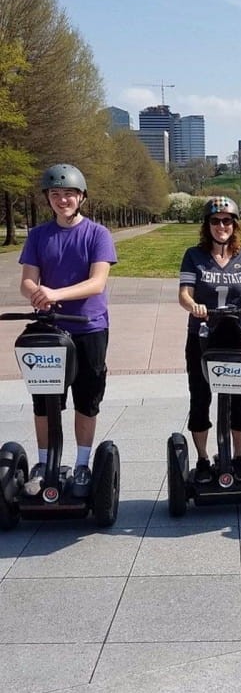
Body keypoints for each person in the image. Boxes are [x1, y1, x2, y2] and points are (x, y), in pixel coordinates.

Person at [19, 163, 117, 496]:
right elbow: (28, 279)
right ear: (48, 198)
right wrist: (36, 291)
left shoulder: (97, 234)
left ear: (81, 197)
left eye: (69, 194)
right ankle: (45, 461)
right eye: (56, 194)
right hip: (50, 329)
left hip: (89, 327)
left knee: (86, 399)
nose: (63, 201)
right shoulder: (37, 236)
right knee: (44, 400)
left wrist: (55, 293)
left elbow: (97, 282)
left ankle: (82, 465)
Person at [178, 196, 241, 484]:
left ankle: (237, 458)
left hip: (237, 336)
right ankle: (202, 459)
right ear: (207, 225)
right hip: (202, 336)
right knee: (200, 398)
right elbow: (185, 293)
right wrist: (193, 306)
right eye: (215, 221)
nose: (221, 226)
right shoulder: (194, 255)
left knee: (240, 401)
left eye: (227, 221)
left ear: (235, 225)